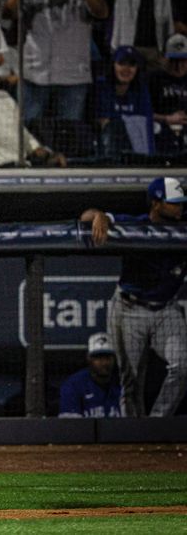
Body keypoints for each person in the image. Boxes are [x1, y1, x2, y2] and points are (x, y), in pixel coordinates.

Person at [81, 176, 187, 417]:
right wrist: (100, 216)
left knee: (183, 367)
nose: (180, 207)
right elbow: (87, 216)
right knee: (132, 380)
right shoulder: (137, 224)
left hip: (165, 310)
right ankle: (134, 436)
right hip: (129, 309)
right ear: (156, 204)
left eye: (182, 202)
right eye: (174, 202)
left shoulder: (183, 230)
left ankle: (158, 423)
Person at [5, 0, 109, 123]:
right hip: (35, 74)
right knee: (30, 130)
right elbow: (7, 13)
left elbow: (102, 13)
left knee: (68, 133)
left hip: (73, 76)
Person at [95, 45, 155, 158]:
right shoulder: (102, 87)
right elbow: (103, 121)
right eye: (122, 63)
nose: (126, 69)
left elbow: (146, 122)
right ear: (113, 65)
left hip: (136, 150)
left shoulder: (141, 90)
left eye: (132, 64)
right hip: (109, 150)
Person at [58, 332, 123, 418]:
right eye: (99, 357)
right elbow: (70, 428)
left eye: (108, 357)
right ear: (89, 358)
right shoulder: (73, 386)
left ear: (114, 359)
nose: (104, 363)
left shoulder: (122, 384)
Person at [149, 33, 187, 155]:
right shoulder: (153, 79)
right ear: (164, 58)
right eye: (174, 61)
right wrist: (166, 119)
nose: (178, 66)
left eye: (183, 61)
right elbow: (143, 114)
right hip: (161, 132)